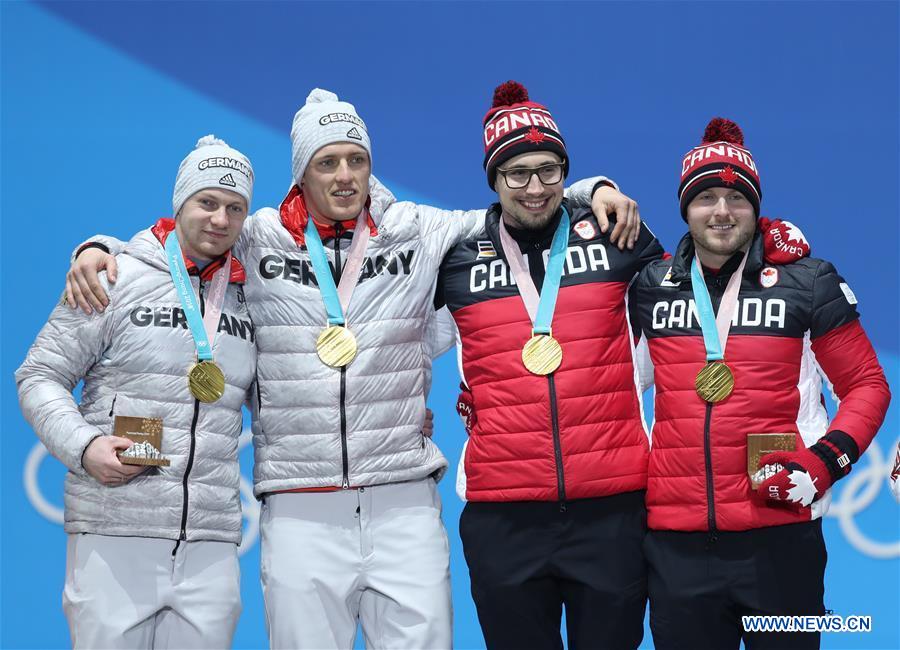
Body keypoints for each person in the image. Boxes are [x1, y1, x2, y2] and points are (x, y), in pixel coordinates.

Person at [63, 88, 639, 649]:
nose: (345, 175)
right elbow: (185, 239)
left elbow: (518, 211)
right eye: (327, 162)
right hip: (299, 506)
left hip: (403, 502)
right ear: (301, 174)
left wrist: (592, 190)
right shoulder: (256, 238)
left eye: (357, 160)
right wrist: (100, 250)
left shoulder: (416, 229)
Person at [628, 117, 891, 649]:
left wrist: (825, 462)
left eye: (736, 198)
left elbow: (866, 384)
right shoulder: (652, 287)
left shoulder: (807, 280)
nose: (722, 212)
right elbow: (619, 390)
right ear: (685, 208)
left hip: (781, 535)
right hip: (676, 544)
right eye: (706, 198)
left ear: (756, 208)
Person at [436, 81, 664, 650]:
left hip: (612, 509)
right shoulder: (455, 258)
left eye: (550, 170)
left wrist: (596, 189)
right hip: (503, 517)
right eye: (517, 173)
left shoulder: (619, 238)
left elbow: (703, 292)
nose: (535, 188)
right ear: (492, 179)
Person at [16, 136, 257, 649]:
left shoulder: (250, 294)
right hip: (115, 529)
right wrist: (83, 447)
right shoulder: (114, 276)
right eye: (207, 202)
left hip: (211, 542)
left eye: (235, 208)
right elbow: (39, 376)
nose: (219, 219)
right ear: (180, 203)